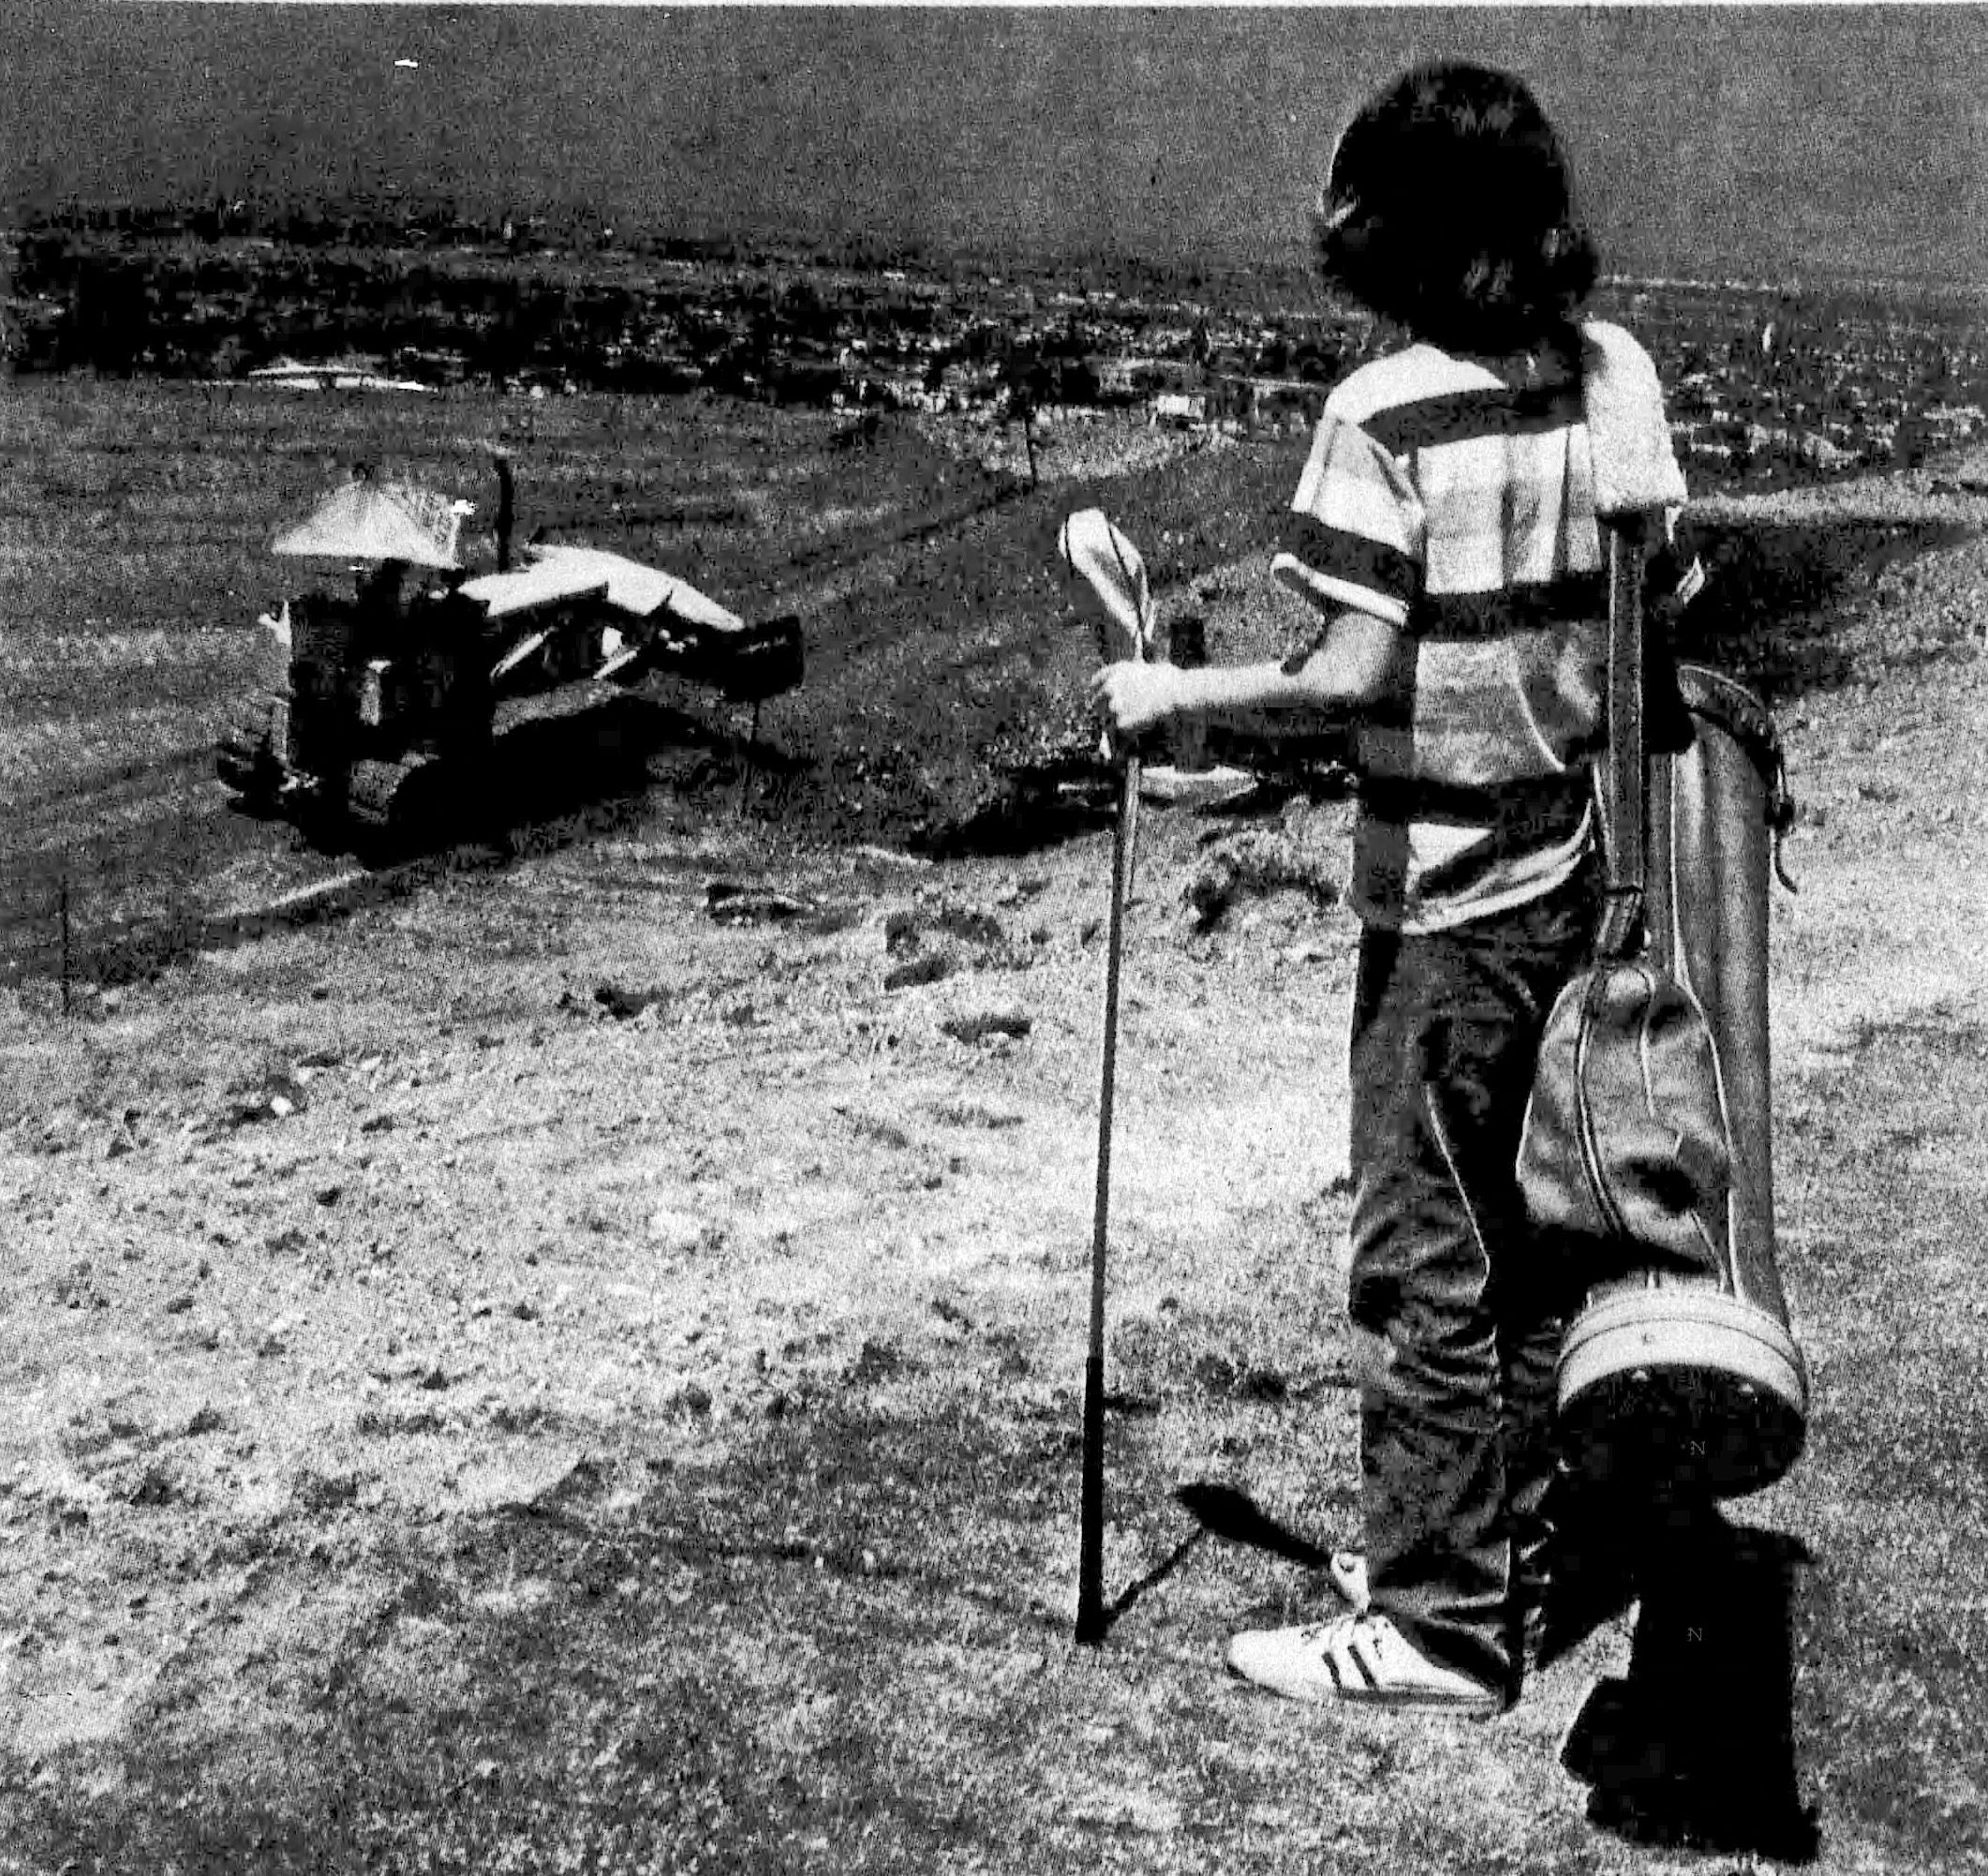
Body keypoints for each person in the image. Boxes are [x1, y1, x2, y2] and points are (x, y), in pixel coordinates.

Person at [1091, 60, 1690, 1715]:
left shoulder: (1381, 413)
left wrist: (1175, 696)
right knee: (1526, 1238)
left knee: (1420, 1253)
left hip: (1438, 896)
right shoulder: (1607, 379)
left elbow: (1352, 674)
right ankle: (1485, 1551)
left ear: (1391, 227)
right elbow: (1654, 616)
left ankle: (1436, 1625)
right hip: (1572, 872)